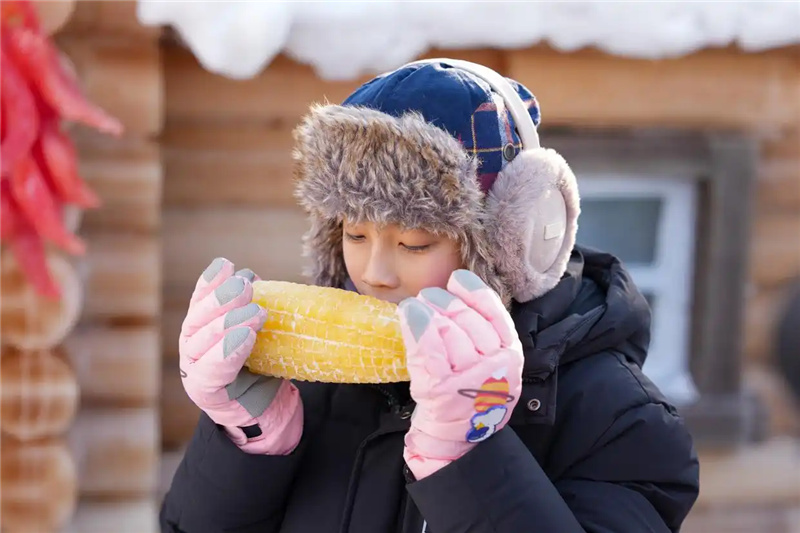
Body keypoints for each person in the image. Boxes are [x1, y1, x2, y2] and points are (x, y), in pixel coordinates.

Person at [160, 59, 699, 533]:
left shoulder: (622, 420)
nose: (374, 274)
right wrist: (250, 438)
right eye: (355, 234)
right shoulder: (310, 388)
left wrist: (468, 459)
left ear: (511, 243)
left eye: (414, 243)